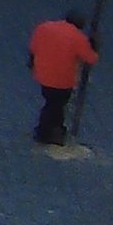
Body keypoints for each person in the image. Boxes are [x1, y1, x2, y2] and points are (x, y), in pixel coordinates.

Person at [29, 11, 100, 148]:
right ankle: (46, 132)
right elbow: (91, 58)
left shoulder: (44, 27)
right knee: (56, 104)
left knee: (52, 102)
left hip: (43, 73)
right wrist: (94, 46)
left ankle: (53, 129)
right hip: (63, 79)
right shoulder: (78, 38)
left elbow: (33, 47)